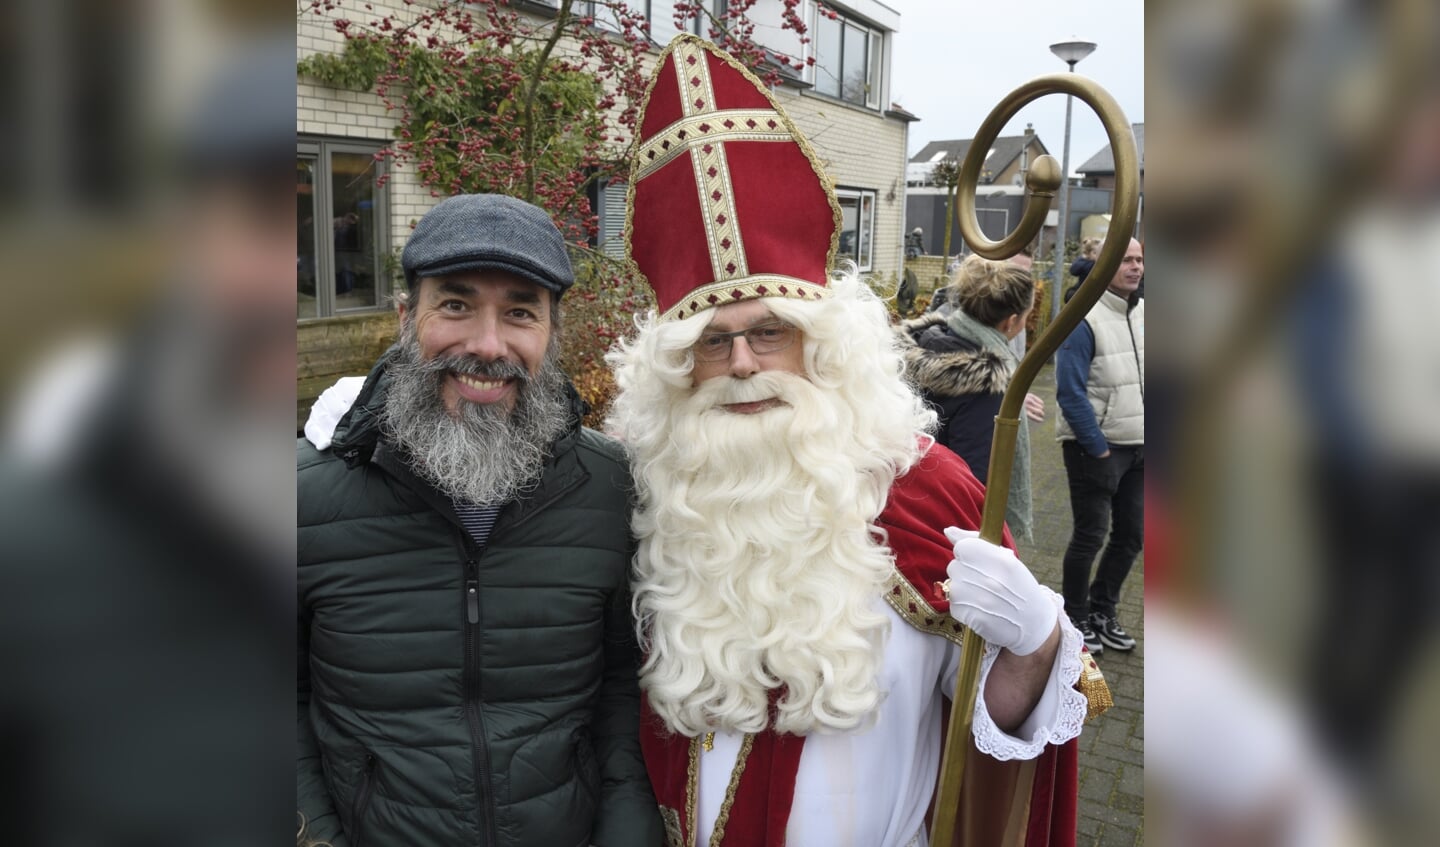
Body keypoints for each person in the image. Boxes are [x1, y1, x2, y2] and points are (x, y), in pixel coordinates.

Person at [608, 35, 1101, 847]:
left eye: (770, 332)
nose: (740, 364)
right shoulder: (662, 495)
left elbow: (1000, 726)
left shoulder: (926, 491)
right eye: (710, 342)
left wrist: (1036, 640)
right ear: (674, 370)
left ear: (825, 343)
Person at [297, 194, 662, 846]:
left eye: (520, 312)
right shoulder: (301, 495)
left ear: (551, 333)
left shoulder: (611, 488)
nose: (488, 345)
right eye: (457, 305)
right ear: (407, 318)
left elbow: (619, 693)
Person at [898, 255, 1043, 542]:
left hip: (900, 507)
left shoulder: (923, 343)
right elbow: (973, 480)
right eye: (1025, 319)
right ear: (1011, 321)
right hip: (947, 531)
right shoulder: (989, 384)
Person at [1054, 237, 1145, 656]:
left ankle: (1103, 611)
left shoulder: (1145, 311)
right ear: (1106, 264)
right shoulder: (1083, 318)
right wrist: (1098, 447)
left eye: (1140, 259)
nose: (1136, 267)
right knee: (1090, 536)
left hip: (1143, 445)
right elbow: (1069, 392)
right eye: (1126, 259)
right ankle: (1075, 616)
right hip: (1097, 447)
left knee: (1132, 536)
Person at [1063, 237, 1101, 304]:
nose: (1098, 255)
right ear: (1088, 254)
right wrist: (1083, 258)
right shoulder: (1088, 264)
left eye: (1100, 252)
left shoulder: (1096, 264)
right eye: (1095, 253)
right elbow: (1074, 270)